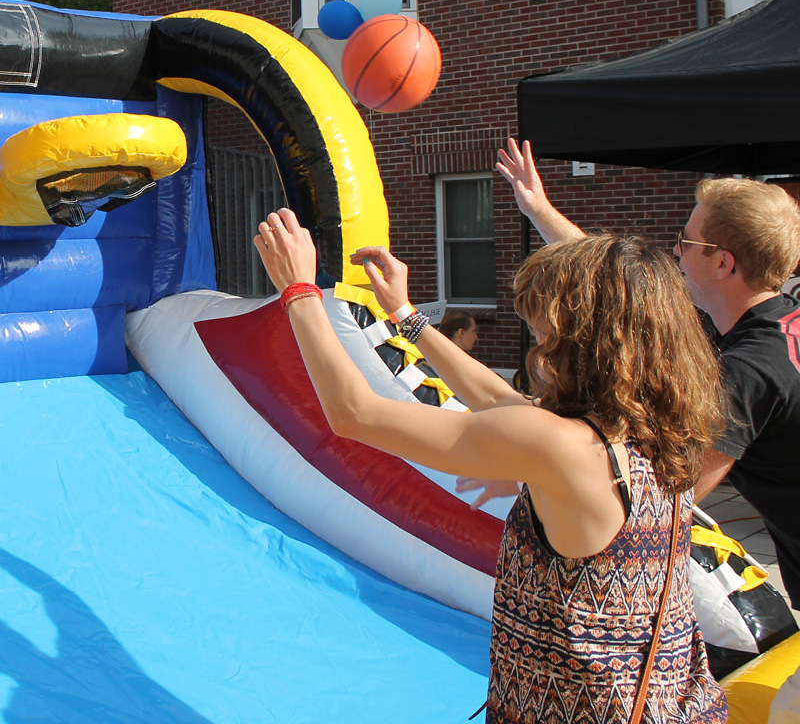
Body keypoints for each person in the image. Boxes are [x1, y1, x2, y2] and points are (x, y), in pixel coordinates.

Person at [254, 208, 728, 722]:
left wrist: (298, 291)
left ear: (588, 338)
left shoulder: (560, 446)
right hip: (668, 698)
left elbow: (355, 414)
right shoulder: (655, 427)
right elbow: (497, 397)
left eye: (548, 332)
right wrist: (405, 315)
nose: (540, 343)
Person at [495, 136, 800, 611]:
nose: (676, 251)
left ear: (723, 263)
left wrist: (538, 470)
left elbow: (664, 498)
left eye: (687, 242)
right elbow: (618, 283)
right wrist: (539, 210)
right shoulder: (761, 319)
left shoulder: (749, 371)